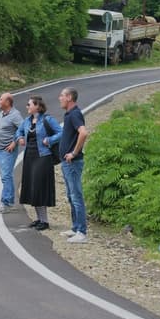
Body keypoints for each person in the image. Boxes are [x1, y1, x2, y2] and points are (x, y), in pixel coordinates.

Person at [15, 95, 61, 230]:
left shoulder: (48, 119)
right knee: (32, 187)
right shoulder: (27, 121)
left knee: (40, 187)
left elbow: (61, 132)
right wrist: (20, 138)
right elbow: (18, 131)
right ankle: (39, 218)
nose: (27, 107)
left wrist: (50, 140)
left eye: (29, 104)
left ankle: (45, 221)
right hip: (29, 156)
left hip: (43, 157)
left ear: (38, 106)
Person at [58, 87, 89, 243]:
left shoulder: (75, 114)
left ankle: (82, 232)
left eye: (62, 95)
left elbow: (83, 133)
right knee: (71, 195)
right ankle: (75, 227)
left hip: (73, 162)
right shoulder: (69, 114)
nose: (60, 98)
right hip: (67, 162)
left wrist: (74, 153)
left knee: (76, 196)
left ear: (69, 97)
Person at [0, 93, 24, 215]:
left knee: (6, 176)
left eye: (0, 99)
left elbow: (23, 128)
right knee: (5, 176)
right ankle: (8, 200)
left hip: (7, 151)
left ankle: (6, 203)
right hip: (0, 149)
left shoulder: (15, 115)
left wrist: (14, 143)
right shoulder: (2, 113)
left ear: (8, 102)